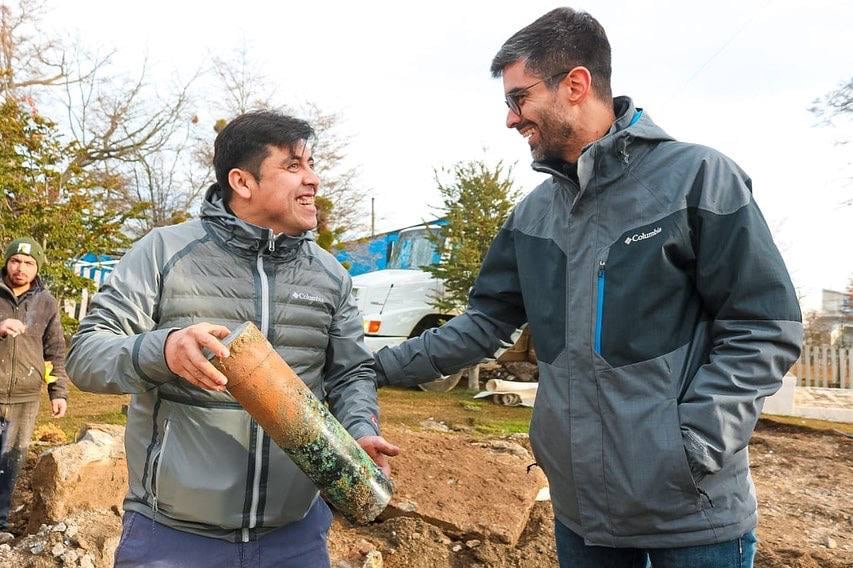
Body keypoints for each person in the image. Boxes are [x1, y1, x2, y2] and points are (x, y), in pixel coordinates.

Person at [373, 7, 802, 567]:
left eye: (518, 98)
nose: (510, 119)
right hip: (582, 520)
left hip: (693, 519)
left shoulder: (698, 178)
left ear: (575, 84)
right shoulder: (531, 217)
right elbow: (483, 324)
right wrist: (371, 366)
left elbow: (765, 324)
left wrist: (692, 446)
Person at [67, 110, 399, 567]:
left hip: (294, 539)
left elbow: (351, 375)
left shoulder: (330, 276)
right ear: (242, 182)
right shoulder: (165, 253)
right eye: (293, 166)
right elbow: (86, 355)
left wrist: (359, 431)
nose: (314, 180)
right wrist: (163, 349)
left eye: (311, 164)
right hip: (173, 539)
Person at [0, 237, 69, 535]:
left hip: (25, 398)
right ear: (6, 261)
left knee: (11, 463)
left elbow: (53, 350)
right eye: (15, 260)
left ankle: (0, 522)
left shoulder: (46, 302)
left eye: (29, 263)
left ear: (37, 267)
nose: (21, 268)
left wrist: (58, 391)